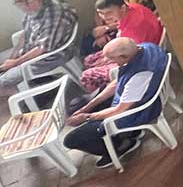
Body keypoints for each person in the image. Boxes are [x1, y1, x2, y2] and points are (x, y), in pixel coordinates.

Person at [63, 39, 167, 168]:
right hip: (136, 97)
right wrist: (88, 107)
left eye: (112, 58)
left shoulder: (140, 75)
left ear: (124, 56)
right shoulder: (146, 47)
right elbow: (117, 83)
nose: (109, 61)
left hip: (137, 112)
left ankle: (121, 146)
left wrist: (86, 117)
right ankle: (128, 134)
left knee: (70, 140)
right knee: (78, 105)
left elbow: (119, 111)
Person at [1, 0, 77, 90]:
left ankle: (18, 99)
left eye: (29, 0)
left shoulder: (54, 13)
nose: (25, 5)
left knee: (2, 81)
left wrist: (16, 62)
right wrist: (13, 55)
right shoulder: (34, 8)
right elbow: (26, 33)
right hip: (32, 50)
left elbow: (43, 48)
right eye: (19, 2)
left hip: (51, 56)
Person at [80, 0, 161, 92]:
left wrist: (108, 59)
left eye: (109, 12)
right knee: (89, 60)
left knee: (87, 76)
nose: (104, 17)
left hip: (142, 60)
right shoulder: (132, 8)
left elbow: (130, 56)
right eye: (101, 13)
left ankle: (108, 94)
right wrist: (107, 28)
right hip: (138, 47)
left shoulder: (133, 30)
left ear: (122, 8)